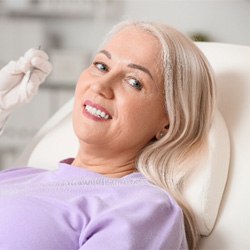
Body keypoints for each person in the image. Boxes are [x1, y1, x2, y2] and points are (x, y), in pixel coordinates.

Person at [0, 20, 215, 250]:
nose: (101, 85)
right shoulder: (20, 176)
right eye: (102, 66)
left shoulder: (143, 209)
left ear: (168, 124)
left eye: (134, 82)